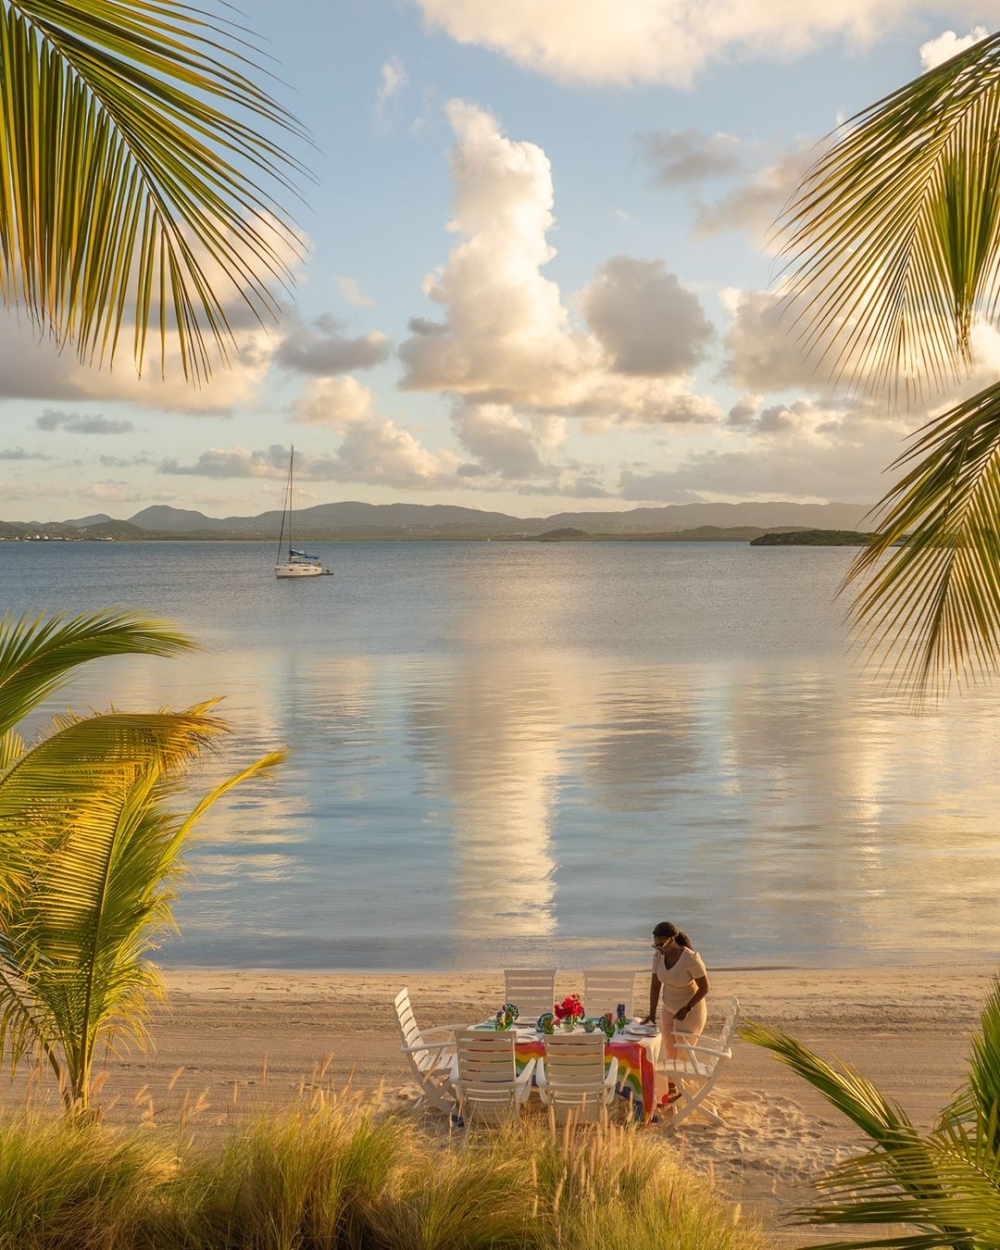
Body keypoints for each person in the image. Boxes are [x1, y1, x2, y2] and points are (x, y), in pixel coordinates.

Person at [643, 921, 710, 1063]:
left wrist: (687, 1007)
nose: (658, 948)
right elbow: (655, 985)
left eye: (661, 944)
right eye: (655, 945)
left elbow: (704, 987)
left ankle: (682, 1084)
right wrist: (652, 1013)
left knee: (683, 1053)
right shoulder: (658, 956)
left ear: (671, 940)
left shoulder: (690, 958)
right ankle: (672, 1085)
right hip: (668, 1008)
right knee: (670, 1050)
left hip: (689, 1012)